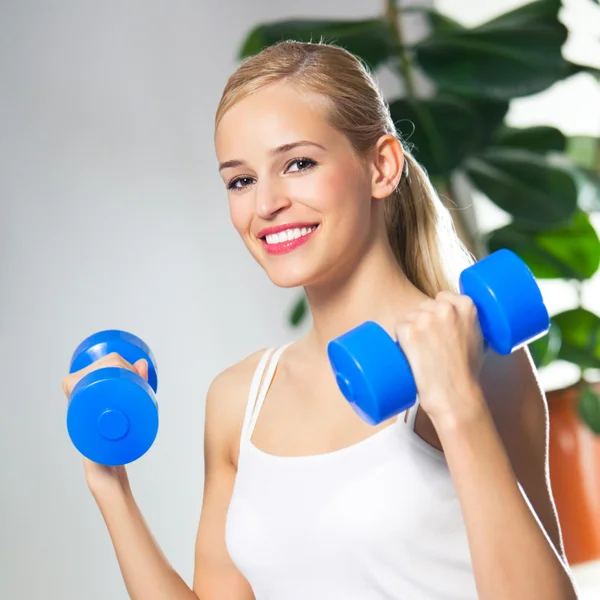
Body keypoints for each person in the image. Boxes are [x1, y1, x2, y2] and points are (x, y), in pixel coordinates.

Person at [62, 41, 579, 599]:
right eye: (240, 180)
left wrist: (456, 406)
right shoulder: (239, 401)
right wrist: (108, 483)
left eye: (299, 163)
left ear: (381, 166)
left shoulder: (478, 356)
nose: (266, 204)